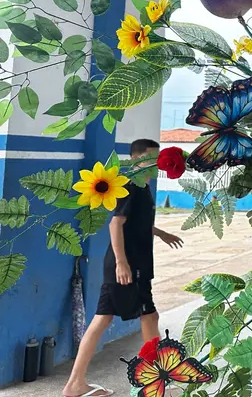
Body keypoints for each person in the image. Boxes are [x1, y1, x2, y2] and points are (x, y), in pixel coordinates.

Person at [62, 139, 184, 397]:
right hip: (128, 267)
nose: (158, 163)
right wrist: (122, 263)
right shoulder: (131, 186)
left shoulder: (144, 188)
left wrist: (160, 233)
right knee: (143, 316)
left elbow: (136, 224)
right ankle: (155, 375)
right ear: (138, 160)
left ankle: (77, 383)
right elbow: (115, 225)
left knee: (120, 318)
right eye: (153, 158)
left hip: (134, 265)